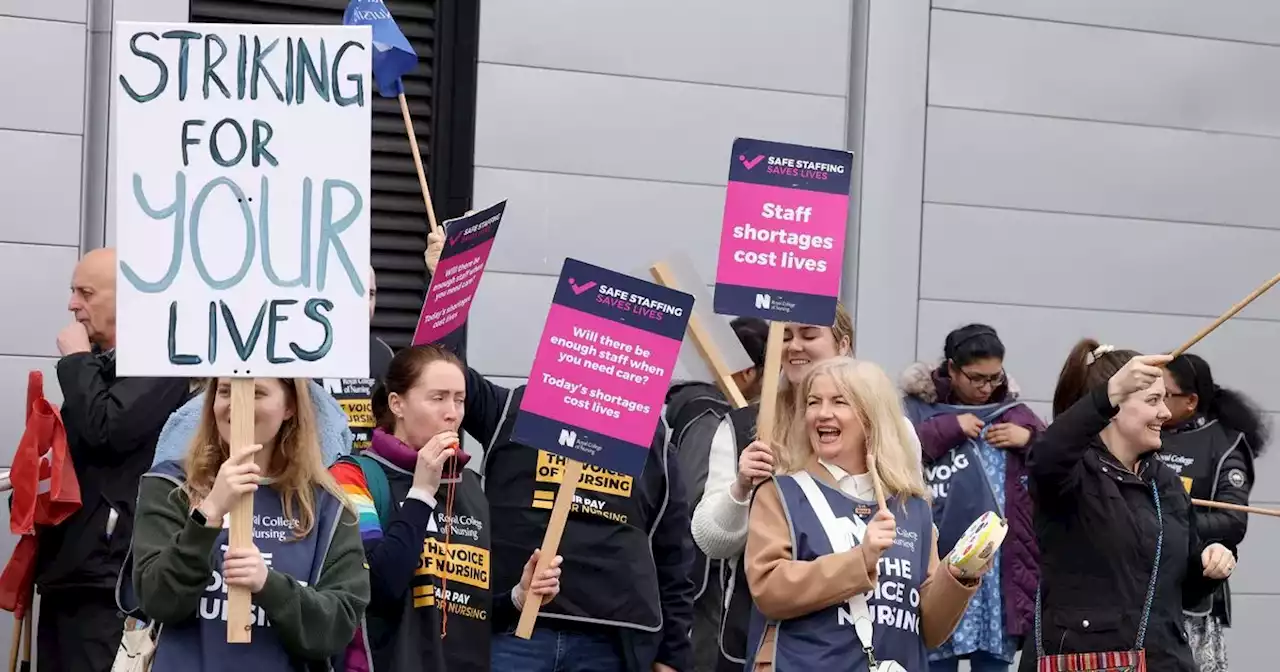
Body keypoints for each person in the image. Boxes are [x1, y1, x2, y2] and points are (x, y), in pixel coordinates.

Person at [424, 240, 695, 672]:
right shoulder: (510, 409)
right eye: (595, 343)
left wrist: (672, 656)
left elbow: (675, 555)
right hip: (512, 631)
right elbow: (438, 369)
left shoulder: (654, 440)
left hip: (612, 641)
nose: (605, 360)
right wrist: (447, 282)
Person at [691, 305, 923, 670]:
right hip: (769, 639)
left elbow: (914, 531)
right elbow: (710, 541)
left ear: (843, 343)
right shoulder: (744, 426)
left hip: (877, 641)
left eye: (809, 334)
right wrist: (741, 490)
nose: (794, 346)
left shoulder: (895, 430)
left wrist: (958, 577)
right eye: (785, 336)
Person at [329, 345, 561, 671]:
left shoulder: (471, 486)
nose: (452, 412)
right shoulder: (353, 476)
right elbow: (377, 589)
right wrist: (422, 492)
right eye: (437, 398)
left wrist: (518, 597)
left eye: (459, 399)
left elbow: (466, 610)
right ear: (397, 403)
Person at [745, 357, 983, 670]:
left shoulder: (911, 505)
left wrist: (959, 575)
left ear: (871, 416)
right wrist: (862, 559)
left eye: (839, 401)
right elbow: (768, 589)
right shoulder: (782, 493)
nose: (822, 413)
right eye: (814, 402)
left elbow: (927, 630)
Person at [1022, 340, 1235, 672]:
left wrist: (1209, 566)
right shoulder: (1071, 474)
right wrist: (1107, 394)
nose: (1165, 413)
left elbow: (1185, 593)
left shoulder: (1165, 482)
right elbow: (1045, 456)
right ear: (1114, 407)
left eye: (1164, 399)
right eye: (1153, 400)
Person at [130, 378, 370, 669]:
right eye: (225, 391)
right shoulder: (170, 485)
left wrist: (269, 585)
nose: (237, 404)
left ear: (290, 406)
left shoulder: (329, 506)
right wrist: (208, 514)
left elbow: (335, 629)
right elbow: (158, 601)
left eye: (257, 392)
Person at [40, 247, 191, 672]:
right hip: (72, 571)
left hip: (108, 578)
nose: (73, 304)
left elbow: (108, 430)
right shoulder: (106, 365)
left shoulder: (160, 361)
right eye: (73, 292)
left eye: (86, 293)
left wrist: (76, 362)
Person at [900, 324, 1044, 672]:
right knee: (934, 654)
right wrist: (950, 427)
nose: (986, 388)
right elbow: (894, 448)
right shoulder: (916, 409)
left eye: (995, 378)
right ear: (951, 368)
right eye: (976, 378)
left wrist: (1028, 439)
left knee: (992, 663)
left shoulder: (1014, 414)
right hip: (936, 563)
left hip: (997, 576)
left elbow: (1059, 459)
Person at [664, 316, 768, 672]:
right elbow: (694, 505)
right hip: (703, 586)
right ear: (748, 373)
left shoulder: (703, 411)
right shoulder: (709, 418)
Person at [1159, 353, 1268, 672]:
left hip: (1192, 594)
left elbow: (1233, 521)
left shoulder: (1224, 443)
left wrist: (1166, 523)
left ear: (1190, 401)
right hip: (1137, 591)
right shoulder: (1142, 432)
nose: (1154, 401)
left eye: (1163, 394)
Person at [320, 268, 398, 451]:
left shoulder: (383, 354)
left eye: (371, 294)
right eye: (356, 293)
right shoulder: (304, 351)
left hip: (366, 470)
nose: (366, 304)